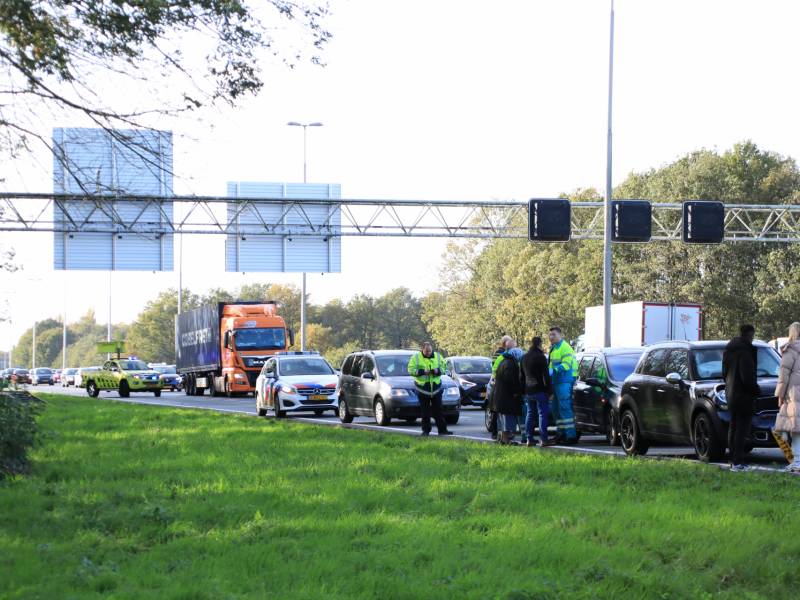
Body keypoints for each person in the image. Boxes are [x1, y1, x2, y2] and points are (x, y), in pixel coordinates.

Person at [722, 324, 761, 472]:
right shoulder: (745, 352)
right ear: (750, 334)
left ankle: (733, 459)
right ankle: (738, 461)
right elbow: (747, 376)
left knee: (733, 427)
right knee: (742, 430)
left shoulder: (729, 350)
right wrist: (756, 390)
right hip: (744, 395)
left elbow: (724, 372)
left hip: (731, 392)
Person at [407, 342, 453, 437]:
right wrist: (423, 371)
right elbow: (410, 370)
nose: (428, 353)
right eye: (426, 351)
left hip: (436, 388)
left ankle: (442, 430)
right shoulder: (415, 358)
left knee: (439, 410)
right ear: (422, 349)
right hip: (423, 388)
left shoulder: (438, 356)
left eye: (430, 351)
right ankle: (426, 431)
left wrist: (437, 371)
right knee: (425, 412)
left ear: (432, 349)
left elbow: (444, 368)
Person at [774, 322, 800, 472]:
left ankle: (797, 462)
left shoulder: (790, 350)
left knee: (794, 428)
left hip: (793, 394)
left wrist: (780, 394)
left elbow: (783, 376)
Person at [521, 337, 555, 447]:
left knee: (530, 414)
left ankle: (529, 439)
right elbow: (546, 376)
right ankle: (543, 439)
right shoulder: (541, 357)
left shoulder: (524, 357)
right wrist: (550, 391)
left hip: (528, 390)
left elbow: (522, 376)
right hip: (539, 389)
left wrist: (523, 391)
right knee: (542, 414)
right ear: (540, 344)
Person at [548, 326, 578, 443]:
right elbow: (551, 365)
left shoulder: (565, 347)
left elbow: (566, 365)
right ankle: (561, 433)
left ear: (560, 335)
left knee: (565, 408)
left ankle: (570, 435)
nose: (551, 337)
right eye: (550, 335)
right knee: (556, 409)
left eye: (553, 334)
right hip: (557, 381)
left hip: (564, 381)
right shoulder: (554, 348)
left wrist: (554, 370)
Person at [492, 341, 524, 444]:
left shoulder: (504, 361)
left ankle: (503, 439)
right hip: (507, 397)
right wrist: (517, 391)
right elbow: (511, 381)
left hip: (501, 396)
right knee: (508, 420)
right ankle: (506, 440)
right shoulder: (511, 364)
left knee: (503, 420)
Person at [487, 335, 512, 440]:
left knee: (495, 409)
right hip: (497, 384)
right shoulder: (500, 354)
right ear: (505, 343)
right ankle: (496, 432)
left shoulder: (498, 353)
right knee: (497, 410)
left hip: (495, 383)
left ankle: (497, 432)